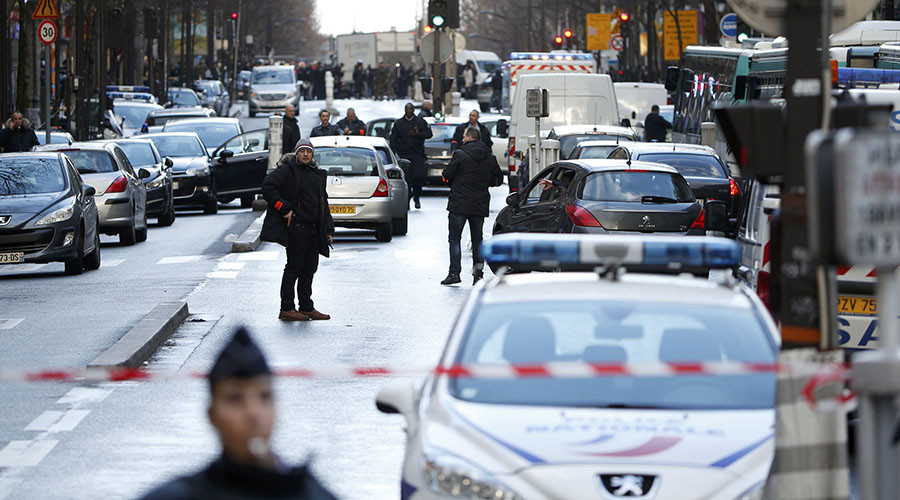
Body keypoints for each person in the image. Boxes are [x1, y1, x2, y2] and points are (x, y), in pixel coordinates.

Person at [137, 327, 337, 500]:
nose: (253, 414)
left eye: (264, 397)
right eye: (235, 399)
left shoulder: (310, 493)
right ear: (212, 415)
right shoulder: (178, 496)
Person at [260, 139, 334, 322]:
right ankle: (286, 308)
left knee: (310, 268)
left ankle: (306, 307)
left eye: (309, 151)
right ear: (296, 153)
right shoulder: (287, 171)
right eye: (302, 151)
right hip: (296, 228)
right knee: (294, 268)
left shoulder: (317, 175)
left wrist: (328, 229)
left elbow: (323, 203)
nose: (306, 155)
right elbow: (268, 188)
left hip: (314, 229)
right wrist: (284, 208)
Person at [441, 126, 503, 285]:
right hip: (479, 203)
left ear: (469, 137)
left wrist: (455, 183)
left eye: (464, 136)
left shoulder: (460, 155)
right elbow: (498, 179)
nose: (462, 139)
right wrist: (485, 183)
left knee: (455, 239)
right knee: (478, 240)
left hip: (459, 203)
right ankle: (478, 274)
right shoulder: (490, 157)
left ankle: (454, 273)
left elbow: (446, 174)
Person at [390, 103, 433, 209]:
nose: (409, 111)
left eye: (410, 109)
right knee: (407, 179)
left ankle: (417, 196)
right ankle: (407, 200)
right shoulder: (399, 123)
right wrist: (393, 152)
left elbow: (429, 134)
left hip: (417, 154)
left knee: (418, 177)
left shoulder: (420, 122)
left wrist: (418, 134)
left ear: (413, 110)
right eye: (407, 109)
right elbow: (393, 139)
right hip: (404, 154)